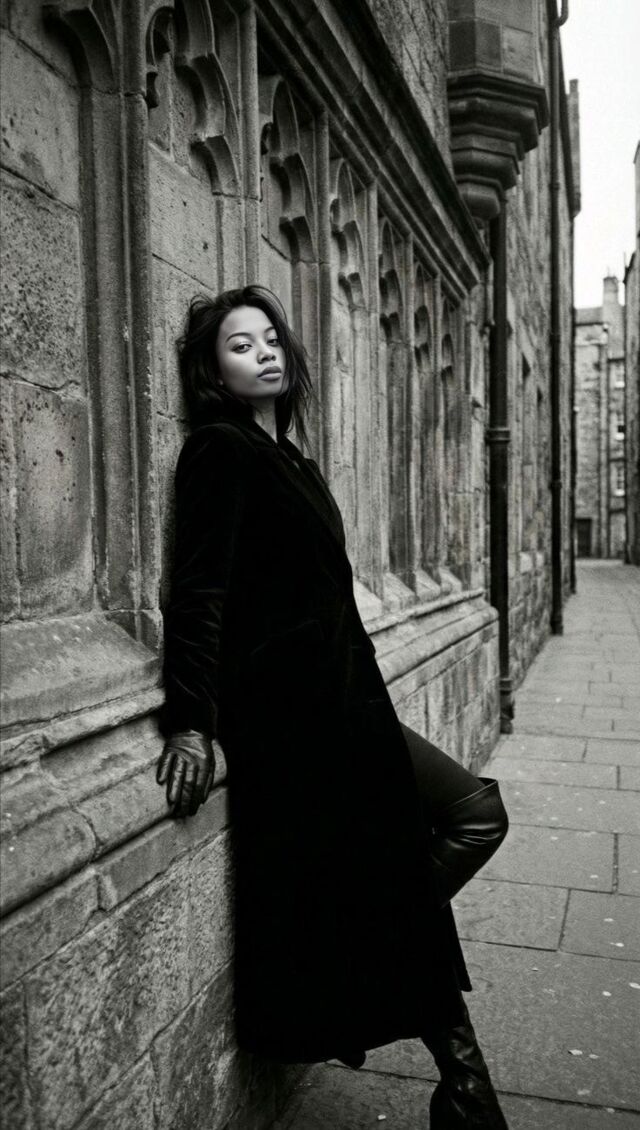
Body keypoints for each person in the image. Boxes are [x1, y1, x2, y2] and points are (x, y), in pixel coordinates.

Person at [156, 285, 510, 1129]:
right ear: (212, 371)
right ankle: (466, 1091)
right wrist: (192, 721)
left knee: (474, 816)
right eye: (241, 345)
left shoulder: (293, 462)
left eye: (271, 338)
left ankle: (377, 995)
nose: (265, 353)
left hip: (349, 704)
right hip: (294, 719)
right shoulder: (219, 452)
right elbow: (198, 593)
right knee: (443, 835)